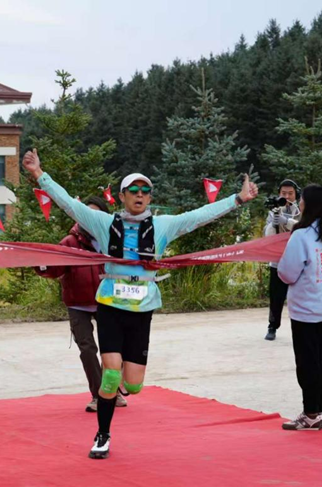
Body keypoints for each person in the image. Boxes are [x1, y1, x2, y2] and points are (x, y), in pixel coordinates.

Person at [22, 149, 258, 459]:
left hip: (142, 310)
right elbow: (68, 203)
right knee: (110, 376)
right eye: (133, 189)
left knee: (133, 386)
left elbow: (200, 216)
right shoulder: (103, 222)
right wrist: (39, 174)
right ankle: (102, 435)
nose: (140, 194)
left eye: (145, 190)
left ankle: (118, 384)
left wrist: (238, 199)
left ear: (150, 198)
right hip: (110, 307)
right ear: (122, 196)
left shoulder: (163, 226)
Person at [36, 196, 127, 412]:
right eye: (87, 213)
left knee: (113, 349)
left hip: (108, 302)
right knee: (87, 350)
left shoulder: (113, 240)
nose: (91, 218)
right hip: (78, 304)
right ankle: (99, 395)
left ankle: (111, 390)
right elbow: (54, 269)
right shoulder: (69, 242)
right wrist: (40, 263)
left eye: (96, 213)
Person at [276, 185, 322, 431]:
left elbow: (287, 273)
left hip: (305, 309)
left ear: (310, 204)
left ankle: (310, 413)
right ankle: (316, 411)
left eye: (302, 199)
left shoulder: (302, 236)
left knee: (307, 363)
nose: (300, 203)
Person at [263, 179, 301, 341]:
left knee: (299, 297)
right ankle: (272, 326)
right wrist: (274, 223)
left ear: (296, 194)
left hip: (297, 260)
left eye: (290, 193)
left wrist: (287, 221)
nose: (287, 196)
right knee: (276, 296)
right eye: (283, 193)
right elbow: (267, 236)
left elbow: (304, 228)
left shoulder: (301, 210)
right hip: (278, 260)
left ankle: (299, 328)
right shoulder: (274, 211)